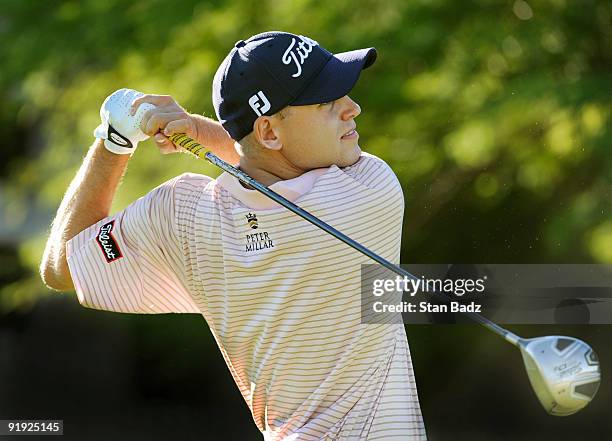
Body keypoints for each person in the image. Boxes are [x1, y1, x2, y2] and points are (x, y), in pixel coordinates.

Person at [40, 31, 426, 440]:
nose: (353, 108)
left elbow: (60, 267)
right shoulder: (368, 191)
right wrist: (197, 130)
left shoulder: (182, 216)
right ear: (270, 131)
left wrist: (114, 138)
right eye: (328, 102)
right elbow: (273, 171)